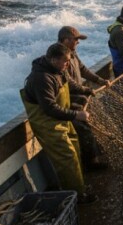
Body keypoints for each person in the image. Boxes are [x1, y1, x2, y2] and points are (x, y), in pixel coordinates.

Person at [20, 43, 95, 202]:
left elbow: (70, 84)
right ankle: (76, 196)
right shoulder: (42, 78)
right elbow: (49, 108)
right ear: (53, 60)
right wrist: (76, 114)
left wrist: (85, 90)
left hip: (62, 120)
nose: (68, 64)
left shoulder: (58, 70)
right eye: (65, 61)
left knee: (74, 151)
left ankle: (79, 187)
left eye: (68, 61)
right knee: (66, 158)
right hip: (49, 125)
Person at [58, 26, 109, 171]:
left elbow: (83, 70)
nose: (78, 43)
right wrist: (86, 89)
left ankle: (95, 152)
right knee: (84, 130)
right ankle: (91, 163)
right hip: (69, 102)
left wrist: (100, 80)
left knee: (89, 126)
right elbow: (68, 81)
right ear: (66, 40)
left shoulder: (72, 53)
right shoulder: (59, 56)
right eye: (76, 40)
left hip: (79, 99)